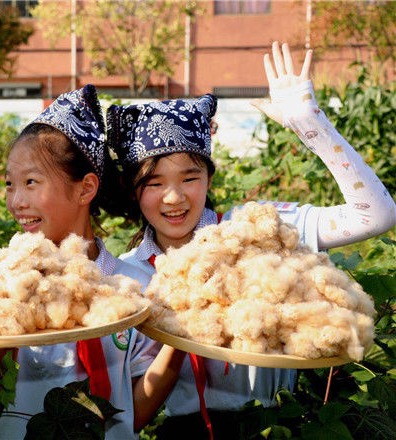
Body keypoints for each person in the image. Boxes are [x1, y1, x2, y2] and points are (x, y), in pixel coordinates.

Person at [110, 42, 396, 439]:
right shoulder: (128, 274)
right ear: (132, 190)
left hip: (276, 427)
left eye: (190, 178)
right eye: (154, 183)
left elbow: (376, 214)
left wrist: (310, 124)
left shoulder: (258, 232)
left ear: (209, 178)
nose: (174, 198)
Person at [0, 84, 185, 439]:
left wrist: (180, 339)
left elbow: (134, 411)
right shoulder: (0, 284)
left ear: (85, 188)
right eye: (10, 184)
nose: (17, 201)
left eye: (31, 182)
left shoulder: (135, 288)